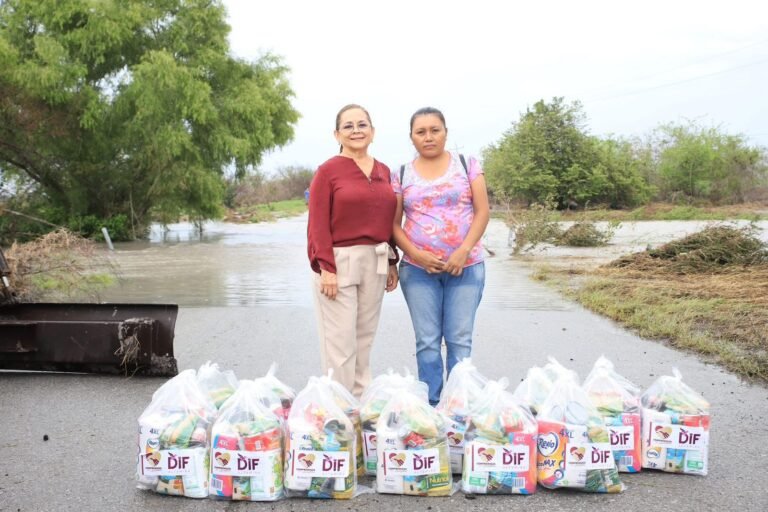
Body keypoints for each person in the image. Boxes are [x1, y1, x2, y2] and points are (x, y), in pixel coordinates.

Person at [391, 107, 490, 405]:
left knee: (460, 341)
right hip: (419, 271)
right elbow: (393, 224)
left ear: (446, 132)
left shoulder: (467, 165)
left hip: (467, 267)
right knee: (428, 343)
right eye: (421, 132)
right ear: (411, 138)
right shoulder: (401, 174)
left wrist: (463, 251)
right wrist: (416, 255)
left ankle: (459, 407)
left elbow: (483, 211)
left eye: (435, 130)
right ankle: (431, 407)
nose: (428, 137)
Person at [307, 104, 399, 398]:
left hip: (376, 259)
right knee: (340, 343)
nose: (356, 130)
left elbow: (388, 218)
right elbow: (317, 222)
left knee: (363, 340)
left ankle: (360, 408)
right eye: (348, 126)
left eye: (362, 124)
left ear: (372, 131)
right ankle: (337, 408)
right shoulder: (328, 171)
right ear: (337, 134)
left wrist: (393, 260)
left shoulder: (384, 171)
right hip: (339, 261)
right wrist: (326, 267)